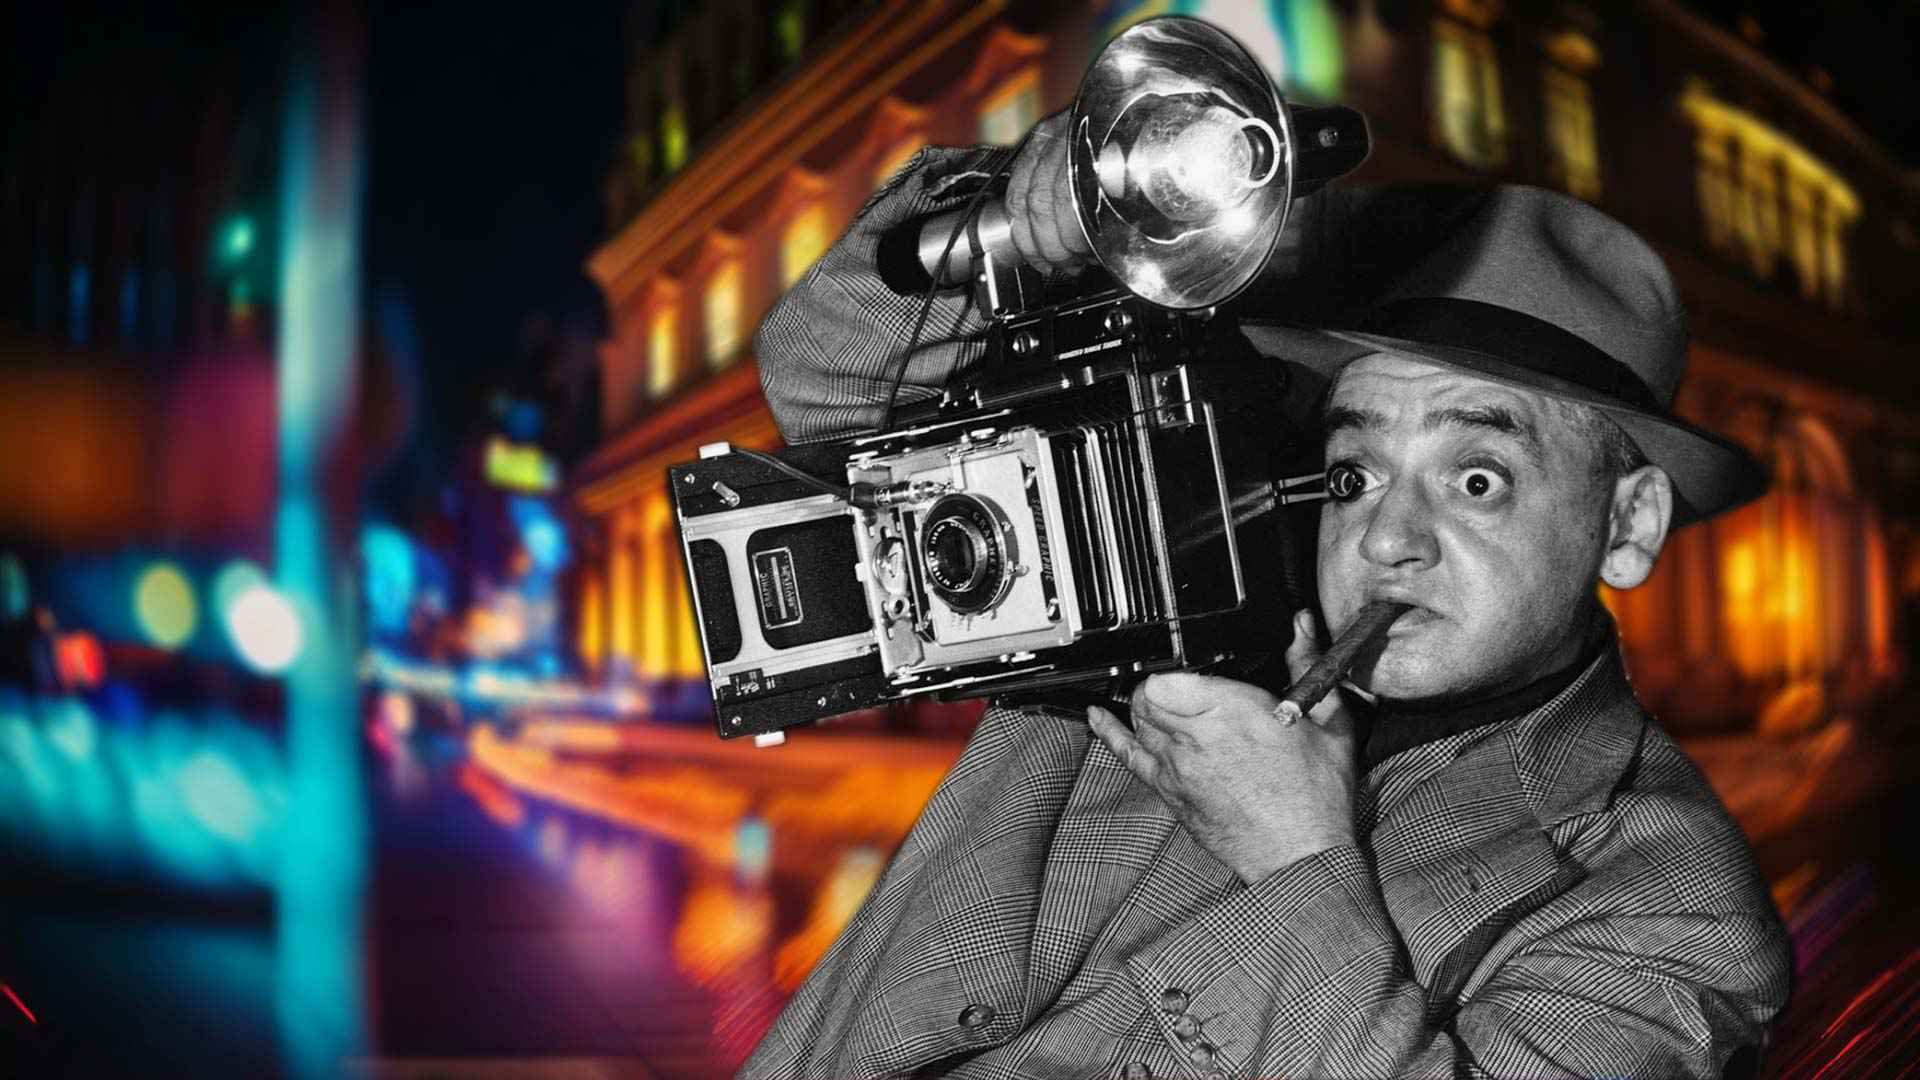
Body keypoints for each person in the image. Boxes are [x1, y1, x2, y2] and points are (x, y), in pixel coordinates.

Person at [741, 113, 1792, 1079]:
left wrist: (1297, 861)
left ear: (1628, 524)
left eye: (1478, 479)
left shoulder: (1670, 907)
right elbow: (828, 383)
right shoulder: (1171, 578)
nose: (1388, 538)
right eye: (1356, 471)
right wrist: (1033, 218)